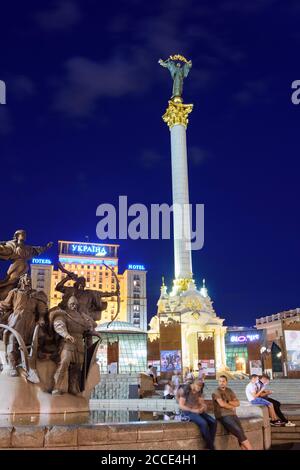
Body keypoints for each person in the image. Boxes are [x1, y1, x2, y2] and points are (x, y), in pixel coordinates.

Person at [0, 274, 47, 376]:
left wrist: (41, 319)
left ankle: (32, 361)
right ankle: (12, 366)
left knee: (39, 338)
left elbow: (42, 310)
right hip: (16, 319)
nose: (28, 281)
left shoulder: (36, 294)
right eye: (26, 279)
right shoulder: (15, 292)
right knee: (12, 339)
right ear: (21, 281)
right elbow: (5, 304)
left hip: (30, 321)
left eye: (30, 279)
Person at [50, 296, 98, 395]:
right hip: (67, 342)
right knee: (64, 362)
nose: (74, 306)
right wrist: (66, 334)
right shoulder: (63, 314)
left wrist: (93, 332)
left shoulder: (82, 317)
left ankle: (72, 387)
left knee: (77, 366)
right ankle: (57, 386)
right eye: (72, 304)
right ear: (68, 304)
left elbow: (88, 328)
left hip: (79, 343)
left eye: (75, 304)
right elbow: (59, 325)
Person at [212, 375, 253, 450]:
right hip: (223, 415)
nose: (221, 383)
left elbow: (238, 403)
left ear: (226, 382)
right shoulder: (216, 392)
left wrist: (227, 401)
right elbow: (222, 404)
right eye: (220, 381)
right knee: (238, 431)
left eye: (223, 381)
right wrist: (231, 406)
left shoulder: (229, 390)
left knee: (241, 433)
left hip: (232, 414)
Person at [178, 380, 217, 450]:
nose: (199, 388)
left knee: (213, 422)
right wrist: (193, 410)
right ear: (193, 384)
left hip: (197, 411)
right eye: (198, 386)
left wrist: (203, 406)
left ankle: (208, 446)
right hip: (187, 412)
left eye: (201, 386)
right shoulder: (185, 390)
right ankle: (211, 447)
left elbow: (201, 402)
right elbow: (181, 406)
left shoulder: (199, 390)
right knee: (203, 423)